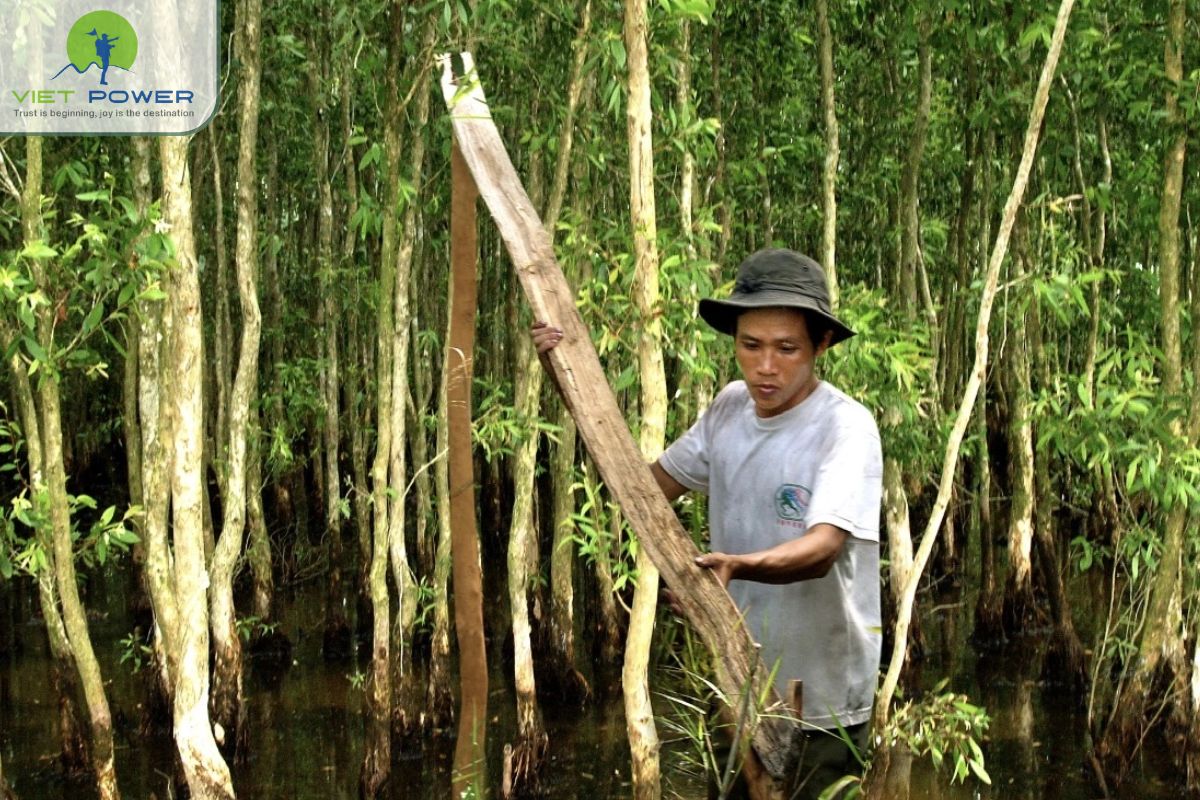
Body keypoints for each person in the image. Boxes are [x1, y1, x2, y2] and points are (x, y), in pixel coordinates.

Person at [533, 248, 882, 799]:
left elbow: (824, 548)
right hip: (736, 683)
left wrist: (735, 569)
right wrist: (570, 381)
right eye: (751, 346)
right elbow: (641, 490)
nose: (766, 366)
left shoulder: (846, 427)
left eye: (787, 349)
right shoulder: (728, 410)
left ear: (822, 345)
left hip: (822, 705)